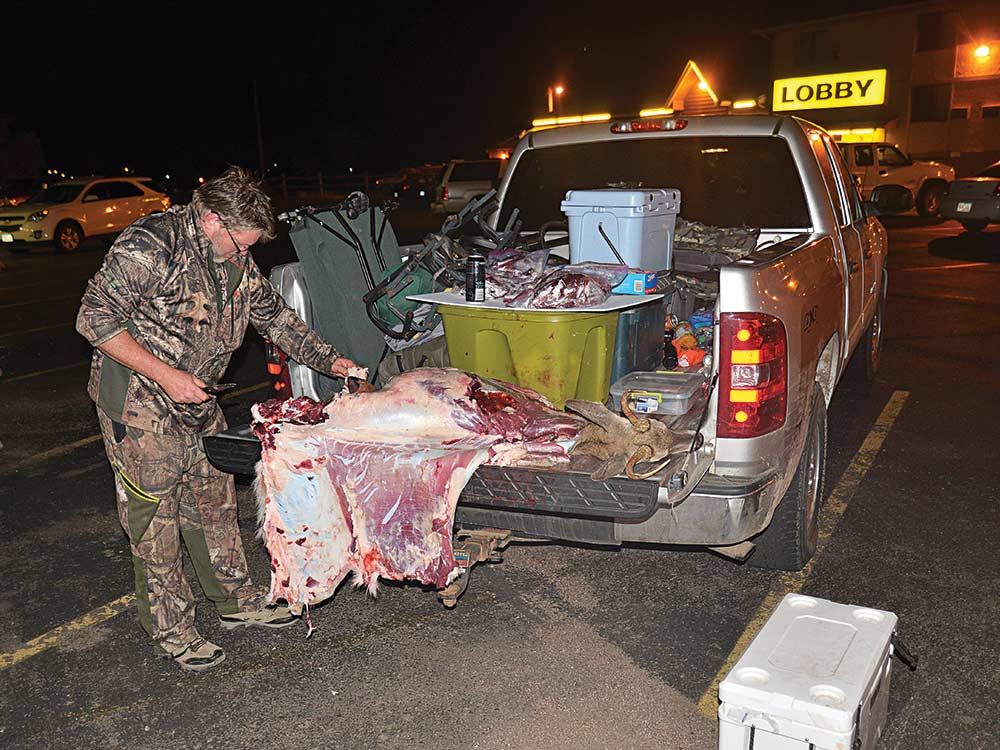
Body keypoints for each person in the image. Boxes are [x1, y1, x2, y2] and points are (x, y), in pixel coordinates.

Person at [76, 166, 357, 672]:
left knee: (213, 503)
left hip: (199, 400)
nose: (246, 254)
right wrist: (167, 376)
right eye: (240, 243)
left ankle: (234, 602)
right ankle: (173, 631)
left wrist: (330, 359)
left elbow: (274, 317)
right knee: (154, 523)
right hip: (139, 406)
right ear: (211, 220)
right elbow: (94, 318)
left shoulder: (236, 258)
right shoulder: (152, 246)